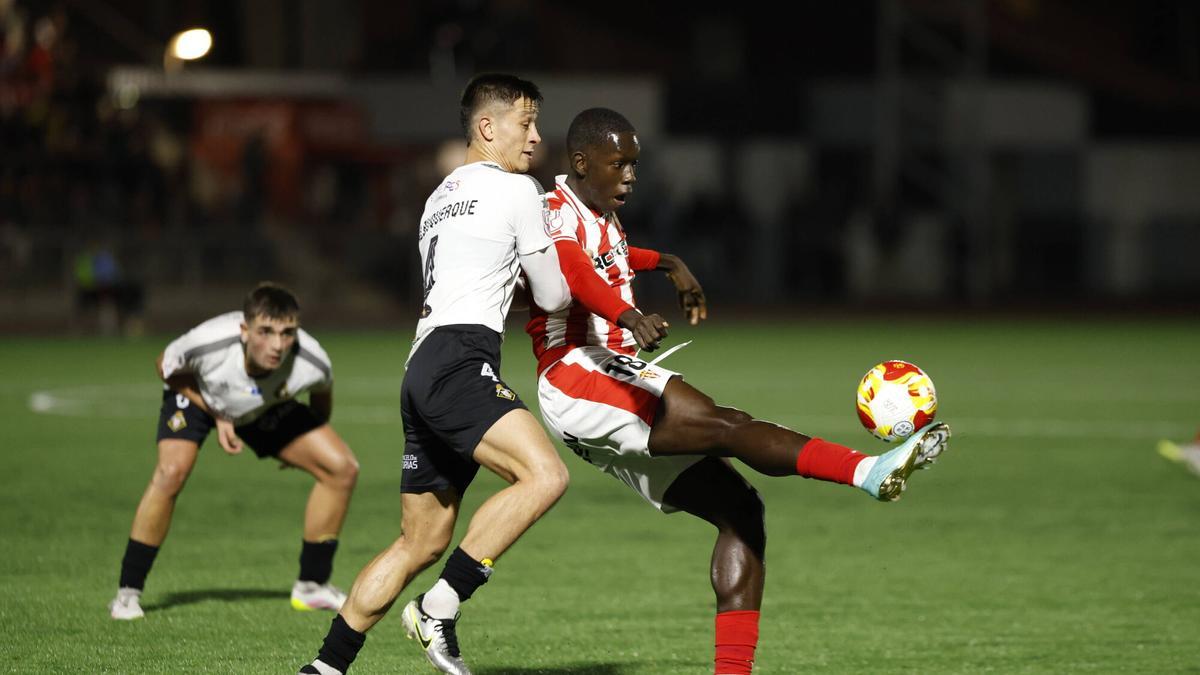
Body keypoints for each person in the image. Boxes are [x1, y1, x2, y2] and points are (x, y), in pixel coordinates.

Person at [525, 108, 953, 675]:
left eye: (635, 164)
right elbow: (576, 272)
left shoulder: (600, 214)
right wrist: (628, 314)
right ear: (581, 162)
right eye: (618, 164)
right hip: (576, 371)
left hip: (602, 384)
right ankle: (866, 472)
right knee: (725, 424)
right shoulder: (553, 211)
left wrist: (669, 263)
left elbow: (611, 257)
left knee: (740, 510)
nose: (631, 175)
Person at [299, 73, 572, 675]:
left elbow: (474, 271)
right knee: (544, 475)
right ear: (487, 127)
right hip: (461, 361)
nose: (535, 138)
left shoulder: (441, 195)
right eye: (525, 124)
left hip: (420, 364)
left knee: (419, 541)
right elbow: (552, 296)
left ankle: (324, 667)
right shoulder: (519, 190)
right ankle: (439, 608)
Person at [109, 282, 359, 620]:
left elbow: (321, 397)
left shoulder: (311, 360)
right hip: (197, 393)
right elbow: (164, 366)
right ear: (245, 330)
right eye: (266, 332)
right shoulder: (210, 341)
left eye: (287, 333)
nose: (277, 345)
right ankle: (127, 594)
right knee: (171, 473)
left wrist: (299, 440)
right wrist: (218, 414)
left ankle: (312, 587)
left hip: (257, 406)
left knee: (341, 468)